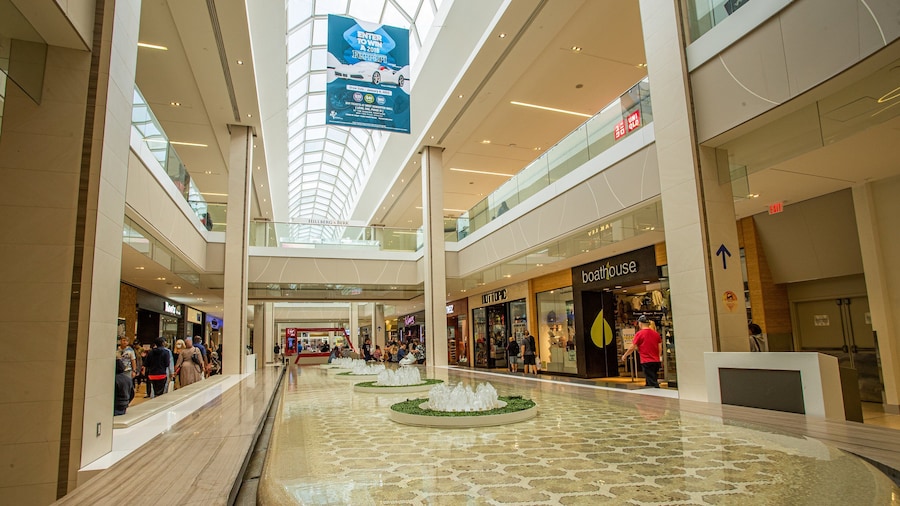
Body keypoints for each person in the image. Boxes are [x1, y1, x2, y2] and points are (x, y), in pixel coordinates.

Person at [621, 315, 662, 388]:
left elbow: (632, 347)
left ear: (640, 323)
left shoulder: (639, 334)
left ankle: (656, 394)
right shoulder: (656, 334)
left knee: (652, 381)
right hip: (656, 361)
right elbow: (660, 348)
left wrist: (625, 355)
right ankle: (650, 395)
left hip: (646, 361)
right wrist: (658, 357)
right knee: (651, 378)